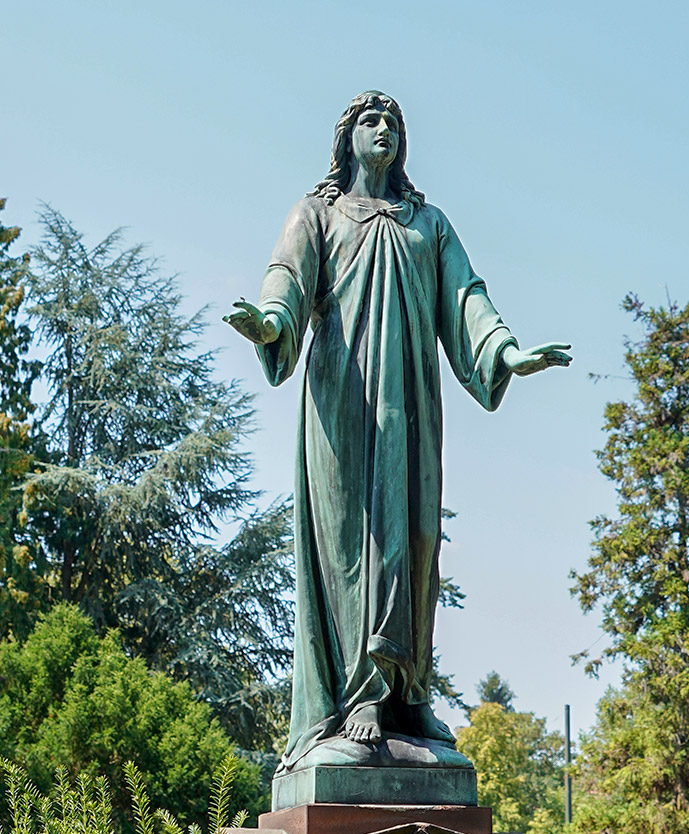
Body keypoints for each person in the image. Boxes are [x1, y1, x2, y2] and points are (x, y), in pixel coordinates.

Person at [225, 91, 571, 771]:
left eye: (394, 123)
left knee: (413, 543)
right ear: (347, 138)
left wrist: (505, 350)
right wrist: (270, 322)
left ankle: (408, 698)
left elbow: (466, 296)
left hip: (410, 407)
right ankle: (358, 696)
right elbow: (285, 281)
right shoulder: (317, 215)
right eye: (370, 121)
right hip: (342, 406)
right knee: (356, 544)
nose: (383, 131)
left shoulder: (427, 225)